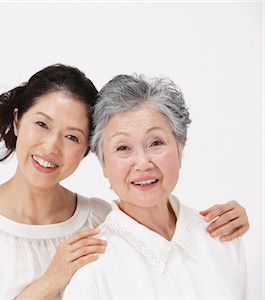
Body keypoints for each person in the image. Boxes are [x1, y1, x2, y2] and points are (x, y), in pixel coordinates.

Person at [0, 65, 249, 300]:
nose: (51, 147)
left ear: (88, 150)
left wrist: (226, 219)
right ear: (18, 121)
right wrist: (51, 280)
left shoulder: (98, 220)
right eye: (42, 124)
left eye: (72, 136)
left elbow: (149, 214)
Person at [63, 74, 247, 299]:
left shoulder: (223, 236)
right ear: (103, 164)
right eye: (122, 148)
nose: (142, 163)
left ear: (180, 148)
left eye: (156, 143)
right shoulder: (92, 270)